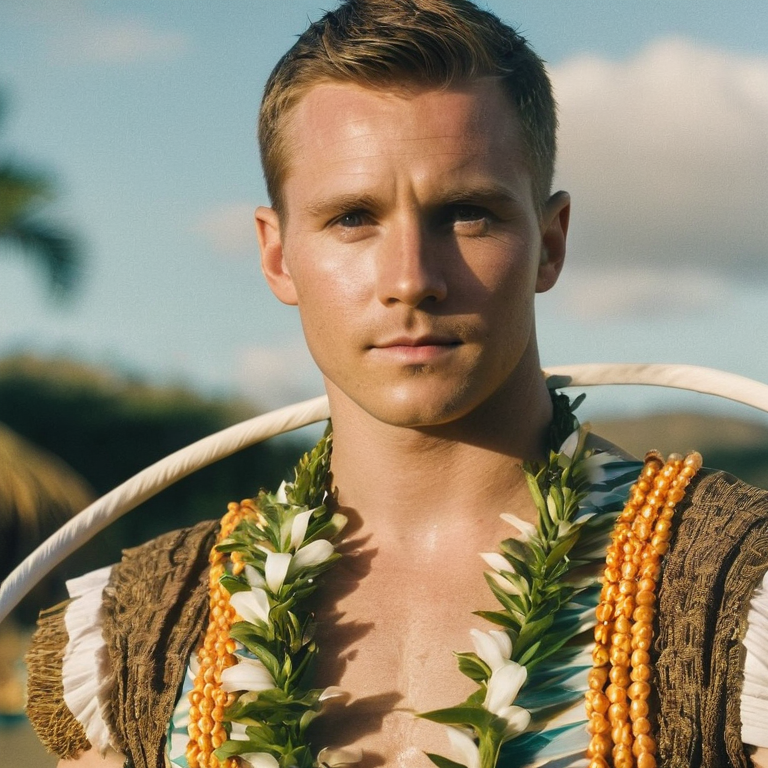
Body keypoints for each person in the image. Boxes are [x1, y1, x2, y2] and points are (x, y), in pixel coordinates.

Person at [24, 1, 768, 767]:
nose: (411, 279)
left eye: (468, 214)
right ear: (278, 256)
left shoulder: (737, 594)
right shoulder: (143, 632)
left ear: (549, 244)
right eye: (352, 217)